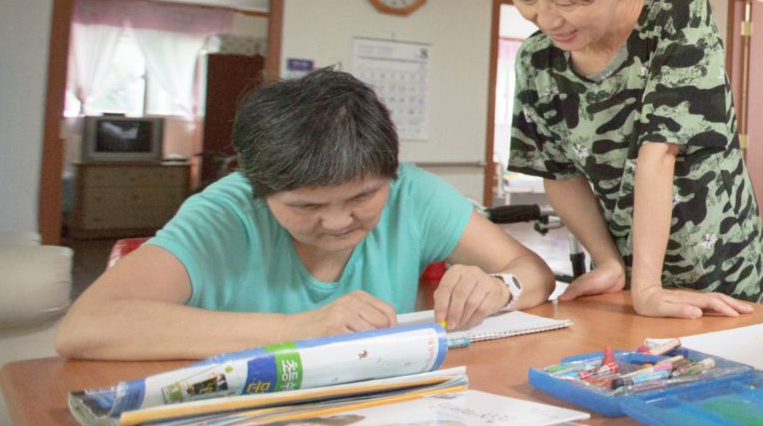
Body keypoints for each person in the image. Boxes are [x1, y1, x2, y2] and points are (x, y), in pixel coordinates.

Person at [57, 69, 555, 360]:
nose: (338, 222)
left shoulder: (413, 193)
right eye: (306, 206)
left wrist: (499, 288)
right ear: (259, 190)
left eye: (362, 198)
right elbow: (86, 326)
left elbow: (533, 272)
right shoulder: (226, 213)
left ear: (390, 174)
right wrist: (296, 328)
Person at [492, 0, 763, 317]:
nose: (547, 19)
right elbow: (559, 173)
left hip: (715, 259)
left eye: (566, 0)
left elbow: (659, 152)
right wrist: (608, 262)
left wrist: (649, 288)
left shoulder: (676, 12)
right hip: (628, 276)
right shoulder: (537, 60)